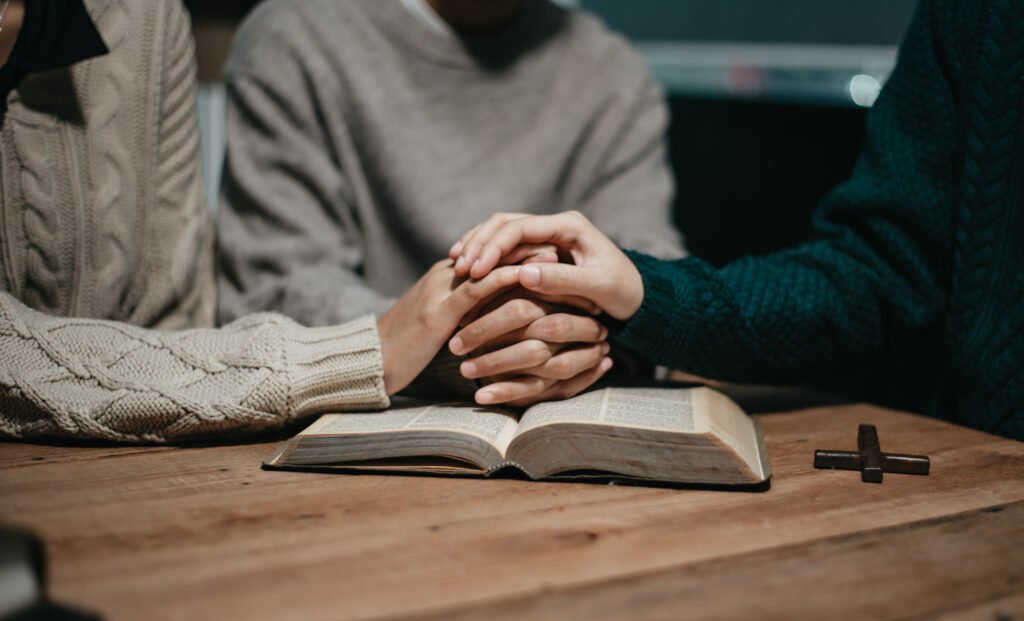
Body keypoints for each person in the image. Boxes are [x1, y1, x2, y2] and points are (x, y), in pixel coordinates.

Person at [0, 0, 609, 443]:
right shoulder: (294, 33)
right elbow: (270, 284)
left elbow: (175, 328)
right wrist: (390, 346)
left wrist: (492, 335)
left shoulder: (145, 19)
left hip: (160, 467)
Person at [448, 0, 1024, 441]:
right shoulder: (975, 16)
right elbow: (881, 270)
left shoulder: (610, 72)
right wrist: (640, 293)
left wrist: (592, 330)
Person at [215, 0, 685, 396]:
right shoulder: (294, 37)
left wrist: (561, 341)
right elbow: (275, 291)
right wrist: (474, 341)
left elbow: (651, 278)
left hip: (571, 415)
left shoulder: (613, 73)